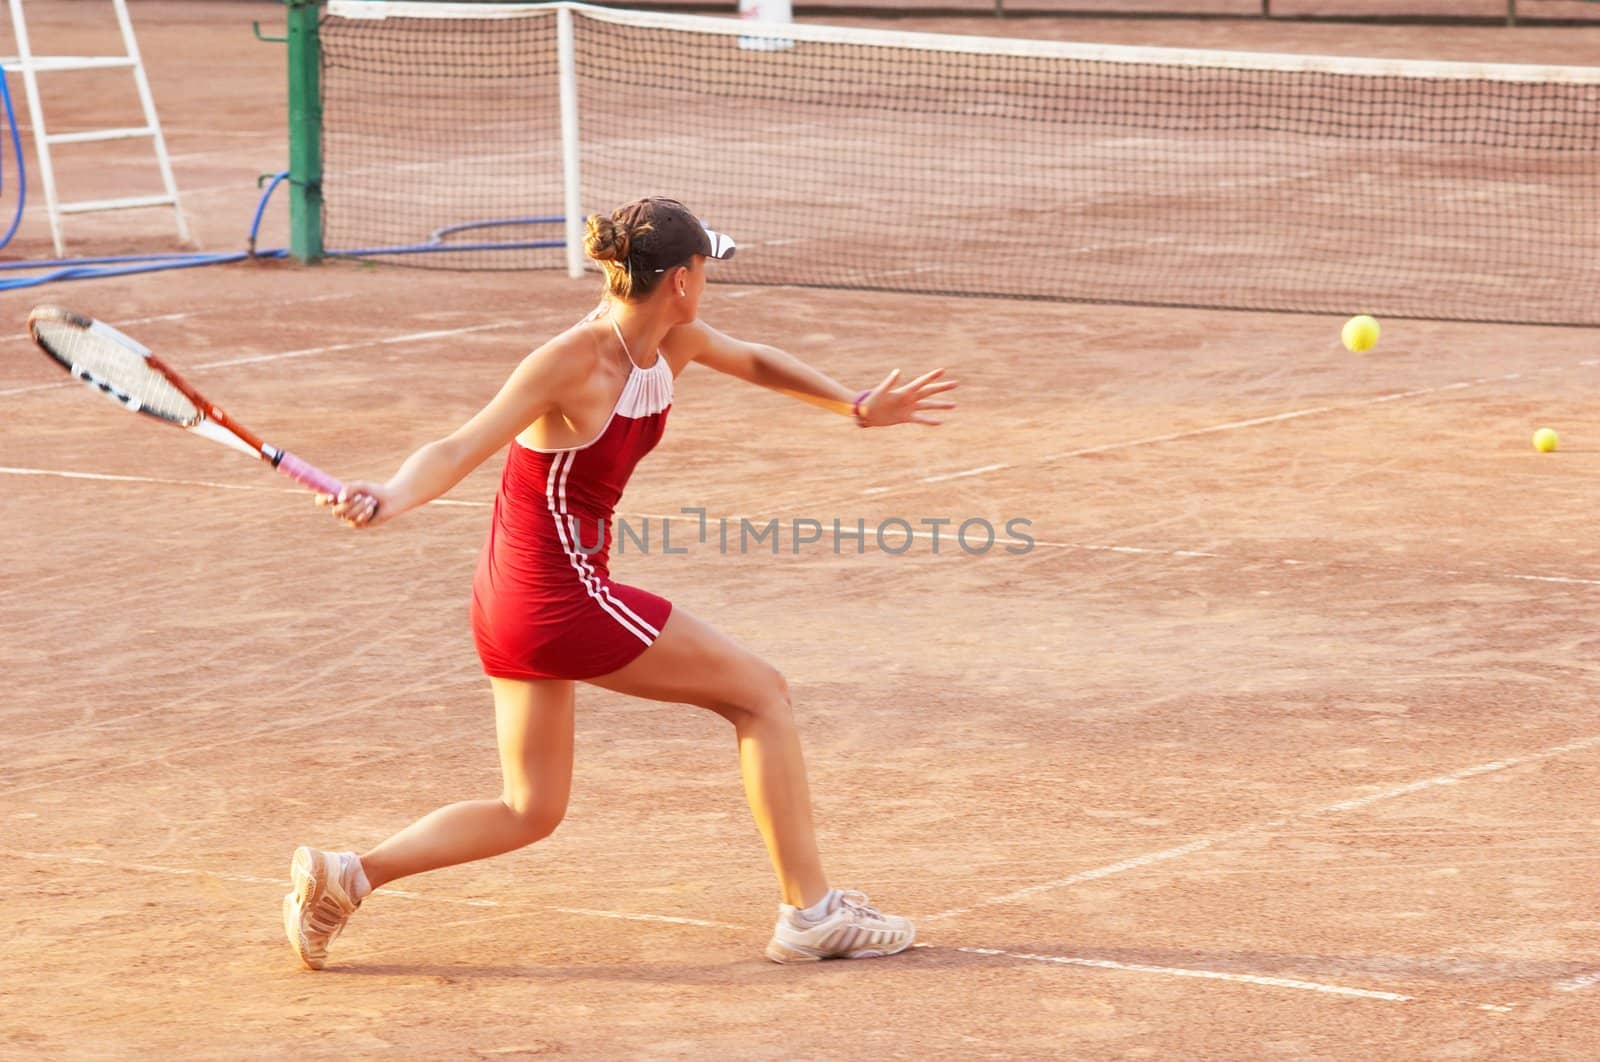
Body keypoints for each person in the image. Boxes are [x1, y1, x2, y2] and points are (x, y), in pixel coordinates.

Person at [283, 196, 957, 969]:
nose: (709, 285)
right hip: (560, 597)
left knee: (530, 808)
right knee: (762, 693)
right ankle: (812, 914)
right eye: (706, 270)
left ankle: (348, 876)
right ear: (679, 278)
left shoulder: (675, 340)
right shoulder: (572, 361)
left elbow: (757, 359)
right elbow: (460, 443)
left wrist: (855, 404)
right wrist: (391, 496)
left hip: (511, 599)